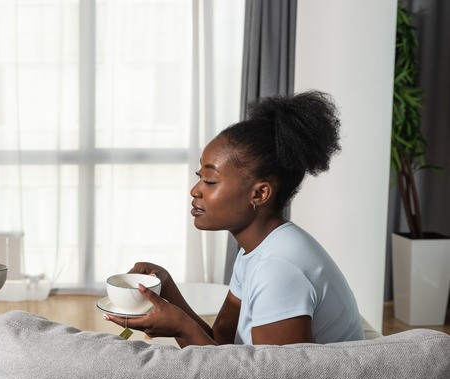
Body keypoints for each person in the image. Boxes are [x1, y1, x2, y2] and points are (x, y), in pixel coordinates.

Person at [104, 90, 363, 347]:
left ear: (260, 193)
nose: (195, 190)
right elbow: (221, 343)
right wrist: (168, 291)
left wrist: (180, 327)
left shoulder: (278, 269)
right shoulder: (256, 250)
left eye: (210, 181)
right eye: (199, 177)